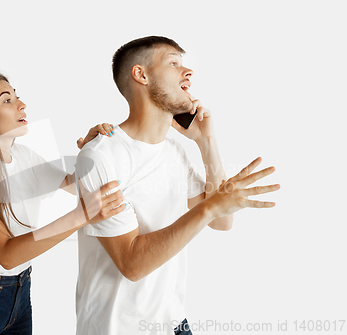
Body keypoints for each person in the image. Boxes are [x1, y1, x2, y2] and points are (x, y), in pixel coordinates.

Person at [74, 36, 280, 335]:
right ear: (141, 75)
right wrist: (211, 206)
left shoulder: (174, 152)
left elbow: (222, 221)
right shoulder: (100, 155)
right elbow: (131, 264)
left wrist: (205, 142)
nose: (188, 73)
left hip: (173, 324)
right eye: (174, 63)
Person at [0, 73, 125, 335]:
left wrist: (92, 148)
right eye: (7, 100)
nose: (22, 105)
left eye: (17, 96)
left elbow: (72, 182)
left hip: (21, 290)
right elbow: (7, 256)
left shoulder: (24, 156)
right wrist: (82, 215)